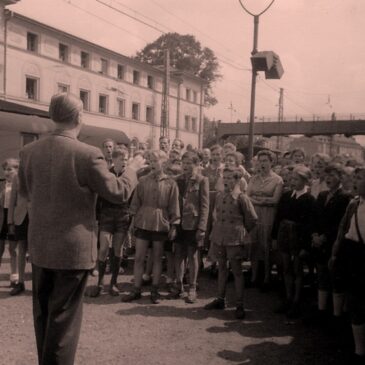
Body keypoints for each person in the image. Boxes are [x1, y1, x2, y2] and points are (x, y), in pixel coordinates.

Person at [18, 93, 144, 365]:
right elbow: (119, 192)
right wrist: (132, 168)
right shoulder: (88, 154)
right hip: (72, 250)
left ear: (53, 117)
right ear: (79, 117)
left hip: (40, 246)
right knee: (63, 323)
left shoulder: (28, 152)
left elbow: (27, 194)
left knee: (43, 316)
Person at [122, 150, 180, 304]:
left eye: (156, 161)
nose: (153, 164)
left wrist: (174, 226)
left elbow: (174, 207)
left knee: (157, 258)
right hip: (143, 222)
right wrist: (132, 223)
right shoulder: (142, 181)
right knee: (139, 257)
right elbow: (135, 203)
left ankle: (154, 290)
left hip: (161, 223)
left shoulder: (171, 183)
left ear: (165, 163)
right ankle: (136, 289)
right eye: (151, 161)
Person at [204, 167, 257, 319]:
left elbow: (252, 219)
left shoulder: (242, 198)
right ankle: (220, 299)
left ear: (237, 180)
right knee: (221, 268)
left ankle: (239, 304)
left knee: (237, 271)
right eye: (224, 178)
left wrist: (240, 232)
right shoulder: (220, 196)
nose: (226, 181)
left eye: (230, 178)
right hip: (220, 236)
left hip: (234, 239)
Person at [330, 166, 365, 364]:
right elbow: (343, 231)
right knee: (354, 302)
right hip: (353, 255)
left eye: (360, 178)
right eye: (356, 178)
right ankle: (358, 350)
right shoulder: (353, 204)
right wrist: (335, 255)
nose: (355, 181)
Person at [272, 165, 316, 319]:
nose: (293, 181)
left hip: (299, 237)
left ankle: (297, 301)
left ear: (305, 181)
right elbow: (278, 218)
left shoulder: (310, 200)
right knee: (286, 268)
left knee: (297, 269)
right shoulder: (286, 196)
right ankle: (288, 298)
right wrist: (274, 238)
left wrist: (305, 246)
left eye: (296, 179)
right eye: (291, 179)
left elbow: (310, 225)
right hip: (284, 234)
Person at [311, 163, 351, 322]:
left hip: (333, 244)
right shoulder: (322, 195)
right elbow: (314, 218)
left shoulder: (345, 198)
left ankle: (336, 316)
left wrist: (324, 237)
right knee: (321, 276)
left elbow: (339, 224)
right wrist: (314, 234)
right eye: (326, 176)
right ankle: (321, 311)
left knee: (335, 278)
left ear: (341, 178)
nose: (328, 179)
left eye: (332, 176)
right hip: (319, 242)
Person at [91, 147, 131, 297]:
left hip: (122, 215)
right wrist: (97, 215)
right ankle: (100, 283)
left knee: (118, 249)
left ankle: (113, 284)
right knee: (104, 247)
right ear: (114, 160)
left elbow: (132, 196)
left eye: (126, 159)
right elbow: (98, 196)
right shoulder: (106, 174)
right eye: (122, 159)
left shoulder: (130, 175)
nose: (124, 162)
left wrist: (130, 215)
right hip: (107, 215)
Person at [170, 151, 209, 303]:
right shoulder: (177, 180)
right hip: (179, 222)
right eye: (184, 163)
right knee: (178, 254)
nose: (185, 166)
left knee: (192, 256)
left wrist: (202, 227)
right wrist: (173, 222)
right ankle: (178, 286)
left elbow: (205, 206)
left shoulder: (202, 180)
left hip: (193, 224)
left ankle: (192, 287)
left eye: (189, 163)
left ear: (197, 164)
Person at [247, 150, 283, 289]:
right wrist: (262, 201)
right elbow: (246, 195)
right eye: (260, 161)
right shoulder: (254, 178)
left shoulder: (277, 179)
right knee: (254, 245)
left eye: (265, 161)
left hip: (268, 215)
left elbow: (275, 200)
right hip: (254, 214)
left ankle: (267, 278)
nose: (262, 164)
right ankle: (254, 276)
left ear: (271, 162)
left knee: (266, 246)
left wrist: (258, 200)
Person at [7, 173, 29, 295]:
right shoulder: (17, 176)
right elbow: (12, 201)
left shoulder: (41, 170)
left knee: (37, 250)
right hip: (21, 217)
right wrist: (10, 221)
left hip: (37, 217)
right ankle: (20, 282)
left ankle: (40, 283)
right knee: (21, 249)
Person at [0, 158, 19, 288]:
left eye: (10, 169)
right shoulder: (1, 184)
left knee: (13, 249)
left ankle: (15, 277)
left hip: (13, 219)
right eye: (5, 169)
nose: (7, 172)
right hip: (1, 218)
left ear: (17, 170)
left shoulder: (21, 186)